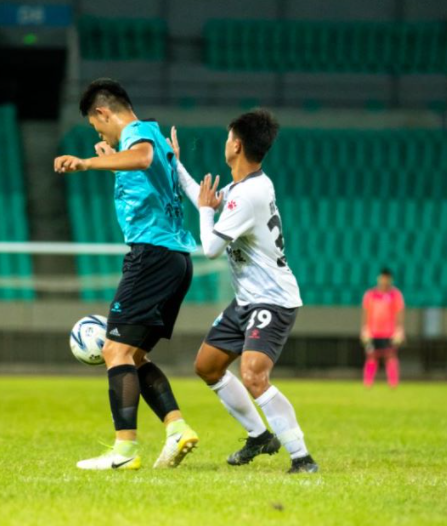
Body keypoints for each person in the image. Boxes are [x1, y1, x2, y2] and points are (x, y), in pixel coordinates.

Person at [54, 78, 198, 470]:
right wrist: (111, 156)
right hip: (175, 258)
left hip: (151, 254)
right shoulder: (147, 135)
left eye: (96, 126)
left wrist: (88, 161)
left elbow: (141, 158)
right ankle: (177, 428)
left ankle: (124, 451)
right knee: (134, 355)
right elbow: (142, 168)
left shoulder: (139, 133)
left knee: (114, 350)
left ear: (103, 112)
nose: (99, 133)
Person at [169, 110, 319, 474]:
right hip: (249, 300)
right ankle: (258, 436)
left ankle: (302, 457)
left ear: (236, 144)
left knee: (253, 373)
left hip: (273, 299)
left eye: (227, 137)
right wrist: (175, 164)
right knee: (208, 366)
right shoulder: (246, 187)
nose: (225, 142)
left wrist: (206, 213)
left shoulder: (246, 196)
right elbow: (202, 197)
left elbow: (210, 248)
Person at [360, 268, 405, 388]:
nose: (384, 281)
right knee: (371, 356)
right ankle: (368, 382)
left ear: (390, 280)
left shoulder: (395, 295)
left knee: (390, 356)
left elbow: (399, 313)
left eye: (387, 278)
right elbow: (366, 313)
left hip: (389, 332)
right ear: (379, 279)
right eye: (383, 278)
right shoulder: (370, 295)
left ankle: (393, 383)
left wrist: (399, 329)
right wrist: (365, 329)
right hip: (374, 331)